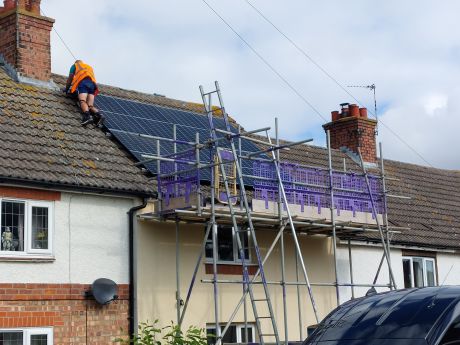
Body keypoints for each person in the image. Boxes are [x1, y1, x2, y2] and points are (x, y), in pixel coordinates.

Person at [63, 60, 105, 127]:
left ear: (76, 62)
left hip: (83, 83)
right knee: (90, 105)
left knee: (82, 101)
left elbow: (70, 78)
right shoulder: (88, 67)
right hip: (92, 85)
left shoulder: (74, 65)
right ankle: (100, 115)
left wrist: (67, 89)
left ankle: (87, 117)